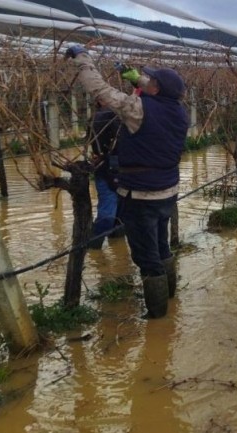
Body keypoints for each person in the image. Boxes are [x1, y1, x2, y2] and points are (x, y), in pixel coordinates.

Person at [66, 45, 188, 319]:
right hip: (167, 192)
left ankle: (157, 319)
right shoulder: (180, 109)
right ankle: (170, 300)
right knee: (161, 246)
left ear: (155, 89)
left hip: (141, 195)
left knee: (147, 259)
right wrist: (131, 76)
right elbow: (161, 90)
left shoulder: (137, 109)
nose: (148, 81)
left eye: (151, 80)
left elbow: (99, 90)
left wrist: (82, 59)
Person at [87, 101, 123, 250]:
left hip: (109, 169)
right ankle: (94, 250)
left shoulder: (97, 117)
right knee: (111, 215)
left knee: (115, 214)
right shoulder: (112, 117)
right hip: (113, 170)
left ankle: (104, 251)